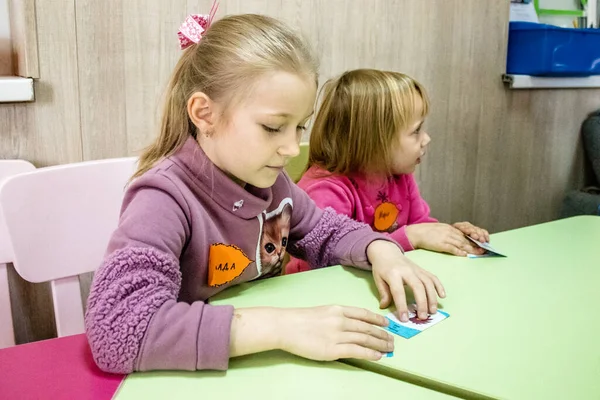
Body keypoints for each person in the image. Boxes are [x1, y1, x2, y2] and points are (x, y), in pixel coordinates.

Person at [84, 12, 445, 374]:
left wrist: (380, 249)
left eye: (299, 126)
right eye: (273, 127)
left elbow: (325, 230)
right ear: (204, 114)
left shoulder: (272, 183)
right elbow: (117, 330)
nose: (292, 147)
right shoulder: (163, 197)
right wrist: (282, 327)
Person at [286, 69, 490, 275]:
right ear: (373, 141)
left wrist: (451, 235)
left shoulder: (397, 174)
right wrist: (409, 236)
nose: (426, 139)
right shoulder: (326, 189)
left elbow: (421, 226)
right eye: (416, 131)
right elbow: (325, 262)